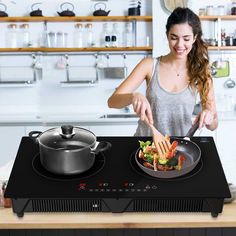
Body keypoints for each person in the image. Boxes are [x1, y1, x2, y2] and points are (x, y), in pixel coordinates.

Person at [107, 7, 218, 136]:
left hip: (180, 148)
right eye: (174, 37)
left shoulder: (201, 72)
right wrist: (133, 96)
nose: (180, 44)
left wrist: (209, 117)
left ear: (194, 38)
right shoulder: (149, 65)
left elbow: (214, 125)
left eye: (186, 39)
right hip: (146, 146)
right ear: (167, 35)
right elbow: (112, 101)